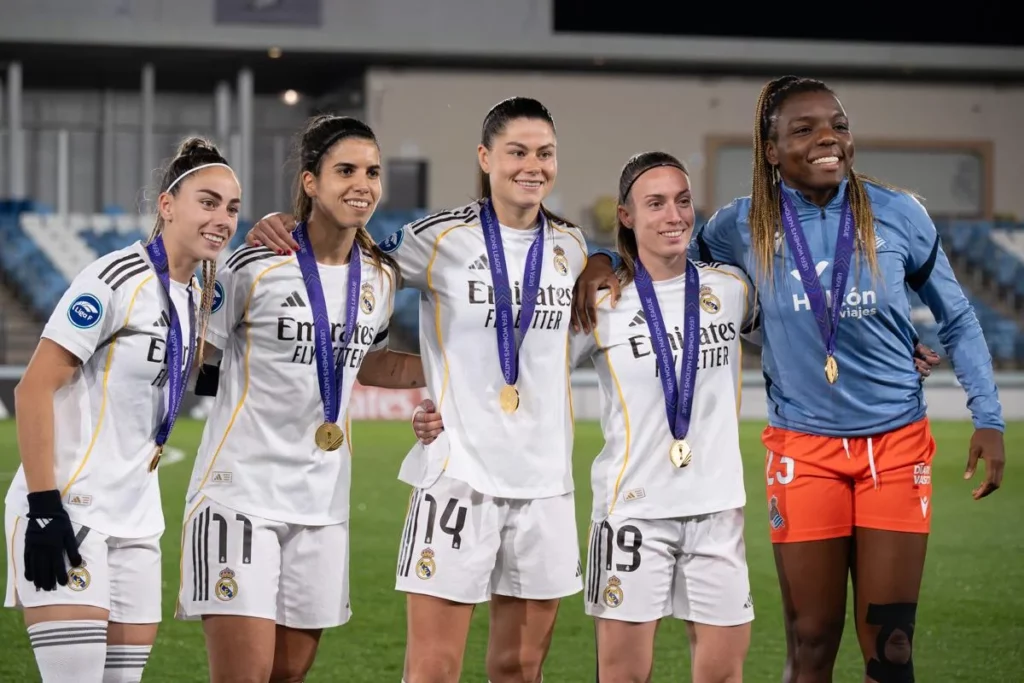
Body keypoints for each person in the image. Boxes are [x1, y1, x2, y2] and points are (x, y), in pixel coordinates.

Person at [573, 75, 1006, 683]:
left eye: (838, 126)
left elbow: (956, 317)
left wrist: (987, 416)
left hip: (896, 445)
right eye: (805, 130)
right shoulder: (740, 224)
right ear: (771, 151)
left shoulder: (898, 213)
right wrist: (601, 258)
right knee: (810, 642)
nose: (828, 138)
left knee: (893, 646)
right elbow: (666, 262)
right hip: (803, 451)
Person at [246, 97, 623, 683]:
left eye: (545, 153)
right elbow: (346, 257)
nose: (533, 166)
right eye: (517, 152)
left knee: (521, 667)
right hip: (457, 478)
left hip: (545, 484)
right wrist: (280, 223)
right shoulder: (438, 238)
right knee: (434, 669)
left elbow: (614, 261)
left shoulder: (571, 247)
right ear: (485, 158)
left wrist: (602, 259)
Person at [416, 151, 757, 682]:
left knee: (723, 676)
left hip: (719, 512)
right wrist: (442, 408)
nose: (674, 216)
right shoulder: (600, 303)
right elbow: (520, 369)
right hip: (632, 513)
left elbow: (792, 336)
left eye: (683, 201)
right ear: (626, 215)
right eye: (656, 204)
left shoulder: (732, 289)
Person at [175, 115, 426, 683]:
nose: (362, 184)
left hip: (322, 504)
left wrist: (453, 372)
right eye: (345, 171)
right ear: (310, 181)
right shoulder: (253, 264)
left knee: (289, 675)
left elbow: (370, 364)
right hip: (240, 496)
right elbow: (197, 357)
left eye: (372, 172)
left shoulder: (380, 277)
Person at [3, 137, 239, 683]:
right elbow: (32, 390)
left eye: (231, 208)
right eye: (207, 202)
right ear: (167, 205)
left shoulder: (197, 297)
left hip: (137, 521)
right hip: (70, 510)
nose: (222, 219)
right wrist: (44, 507)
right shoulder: (116, 278)